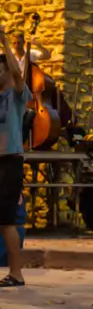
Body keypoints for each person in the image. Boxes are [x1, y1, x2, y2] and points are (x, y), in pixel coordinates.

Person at [0, 26, 32, 288]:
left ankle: (16, 273)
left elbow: (18, 72)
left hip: (10, 161)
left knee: (7, 218)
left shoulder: (17, 96)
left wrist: (4, 40)